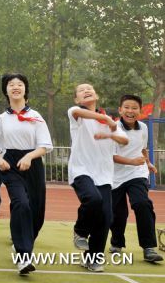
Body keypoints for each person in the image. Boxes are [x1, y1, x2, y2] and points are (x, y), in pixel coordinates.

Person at [0, 73, 53, 275]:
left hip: (33, 164)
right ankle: (24, 256)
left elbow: (45, 146)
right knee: (21, 204)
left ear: (25, 89)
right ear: (5, 90)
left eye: (19, 84)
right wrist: (0, 161)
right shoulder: (1, 119)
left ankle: (22, 243)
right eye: (11, 84)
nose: (15, 87)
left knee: (36, 212)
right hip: (11, 165)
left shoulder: (36, 116)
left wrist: (29, 157)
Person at [68, 83, 128, 272]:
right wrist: (106, 119)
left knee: (106, 216)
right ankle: (80, 231)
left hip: (104, 175)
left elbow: (124, 140)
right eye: (81, 90)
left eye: (90, 89)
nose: (86, 91)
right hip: (81, 170)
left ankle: (93, 258)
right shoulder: (76, 113)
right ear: (77, 99)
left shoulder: (111, 122)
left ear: (97, 95)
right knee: (93, 199)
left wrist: (109, 134)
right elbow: (81, 113)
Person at [109, 94, 162, 263]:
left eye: (134, 108)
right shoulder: (112, 129)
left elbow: (142, 149)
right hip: (115, 176)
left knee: (142, 204)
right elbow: (110, 156)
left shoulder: (143, 128)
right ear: (120, 110)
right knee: (118, 213)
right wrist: (131, 161)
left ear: (139, 111)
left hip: (137, 174)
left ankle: (149, 248)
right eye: (127, 107)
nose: (130, 111)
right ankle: (117, 242)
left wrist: (148, 163)